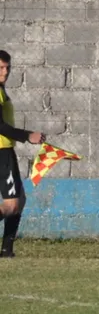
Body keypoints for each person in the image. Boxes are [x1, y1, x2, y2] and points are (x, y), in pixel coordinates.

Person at [0, 50, 45, 258]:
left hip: (5, 151)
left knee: (20, 199)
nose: (5, 72)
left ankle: (6, 250)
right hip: (2, 152)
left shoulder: (2, 90)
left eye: (7, 67)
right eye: (1, 68)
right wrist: (27, 136)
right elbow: (1, 126)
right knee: (12, 204)